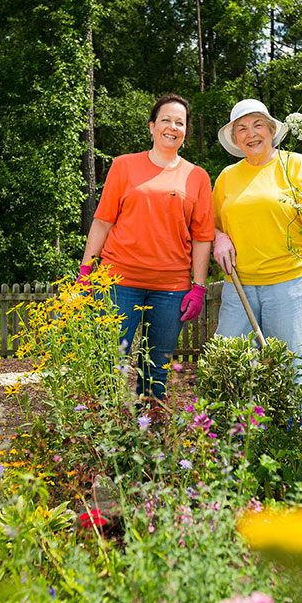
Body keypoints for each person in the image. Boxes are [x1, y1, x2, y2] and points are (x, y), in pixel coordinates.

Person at [78, 93, 214, 403]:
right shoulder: (124, 166)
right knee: (108, 365)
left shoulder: (197, 177)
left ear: (186, 131)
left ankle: (149, 439)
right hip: (118, 283)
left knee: (156, 370)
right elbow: (102, 222)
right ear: (152, 126)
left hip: (171, 289)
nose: (172, 126)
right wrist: (86, 270)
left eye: (180, 122)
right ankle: (103, 441)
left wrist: (199, 287)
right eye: (165, 119)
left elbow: (202, 237)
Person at [211, 98, 302, 421]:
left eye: (257, 125)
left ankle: (296, 449)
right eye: (242, 129)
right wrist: (218, 237)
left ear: (272, 130)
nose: (251, 134)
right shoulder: (226, 177)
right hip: (240, 287)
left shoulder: (295, 164)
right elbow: (213, 224)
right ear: (235, 139)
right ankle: (234, 450)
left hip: (291, 283)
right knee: (230, 366)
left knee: (292, 371)